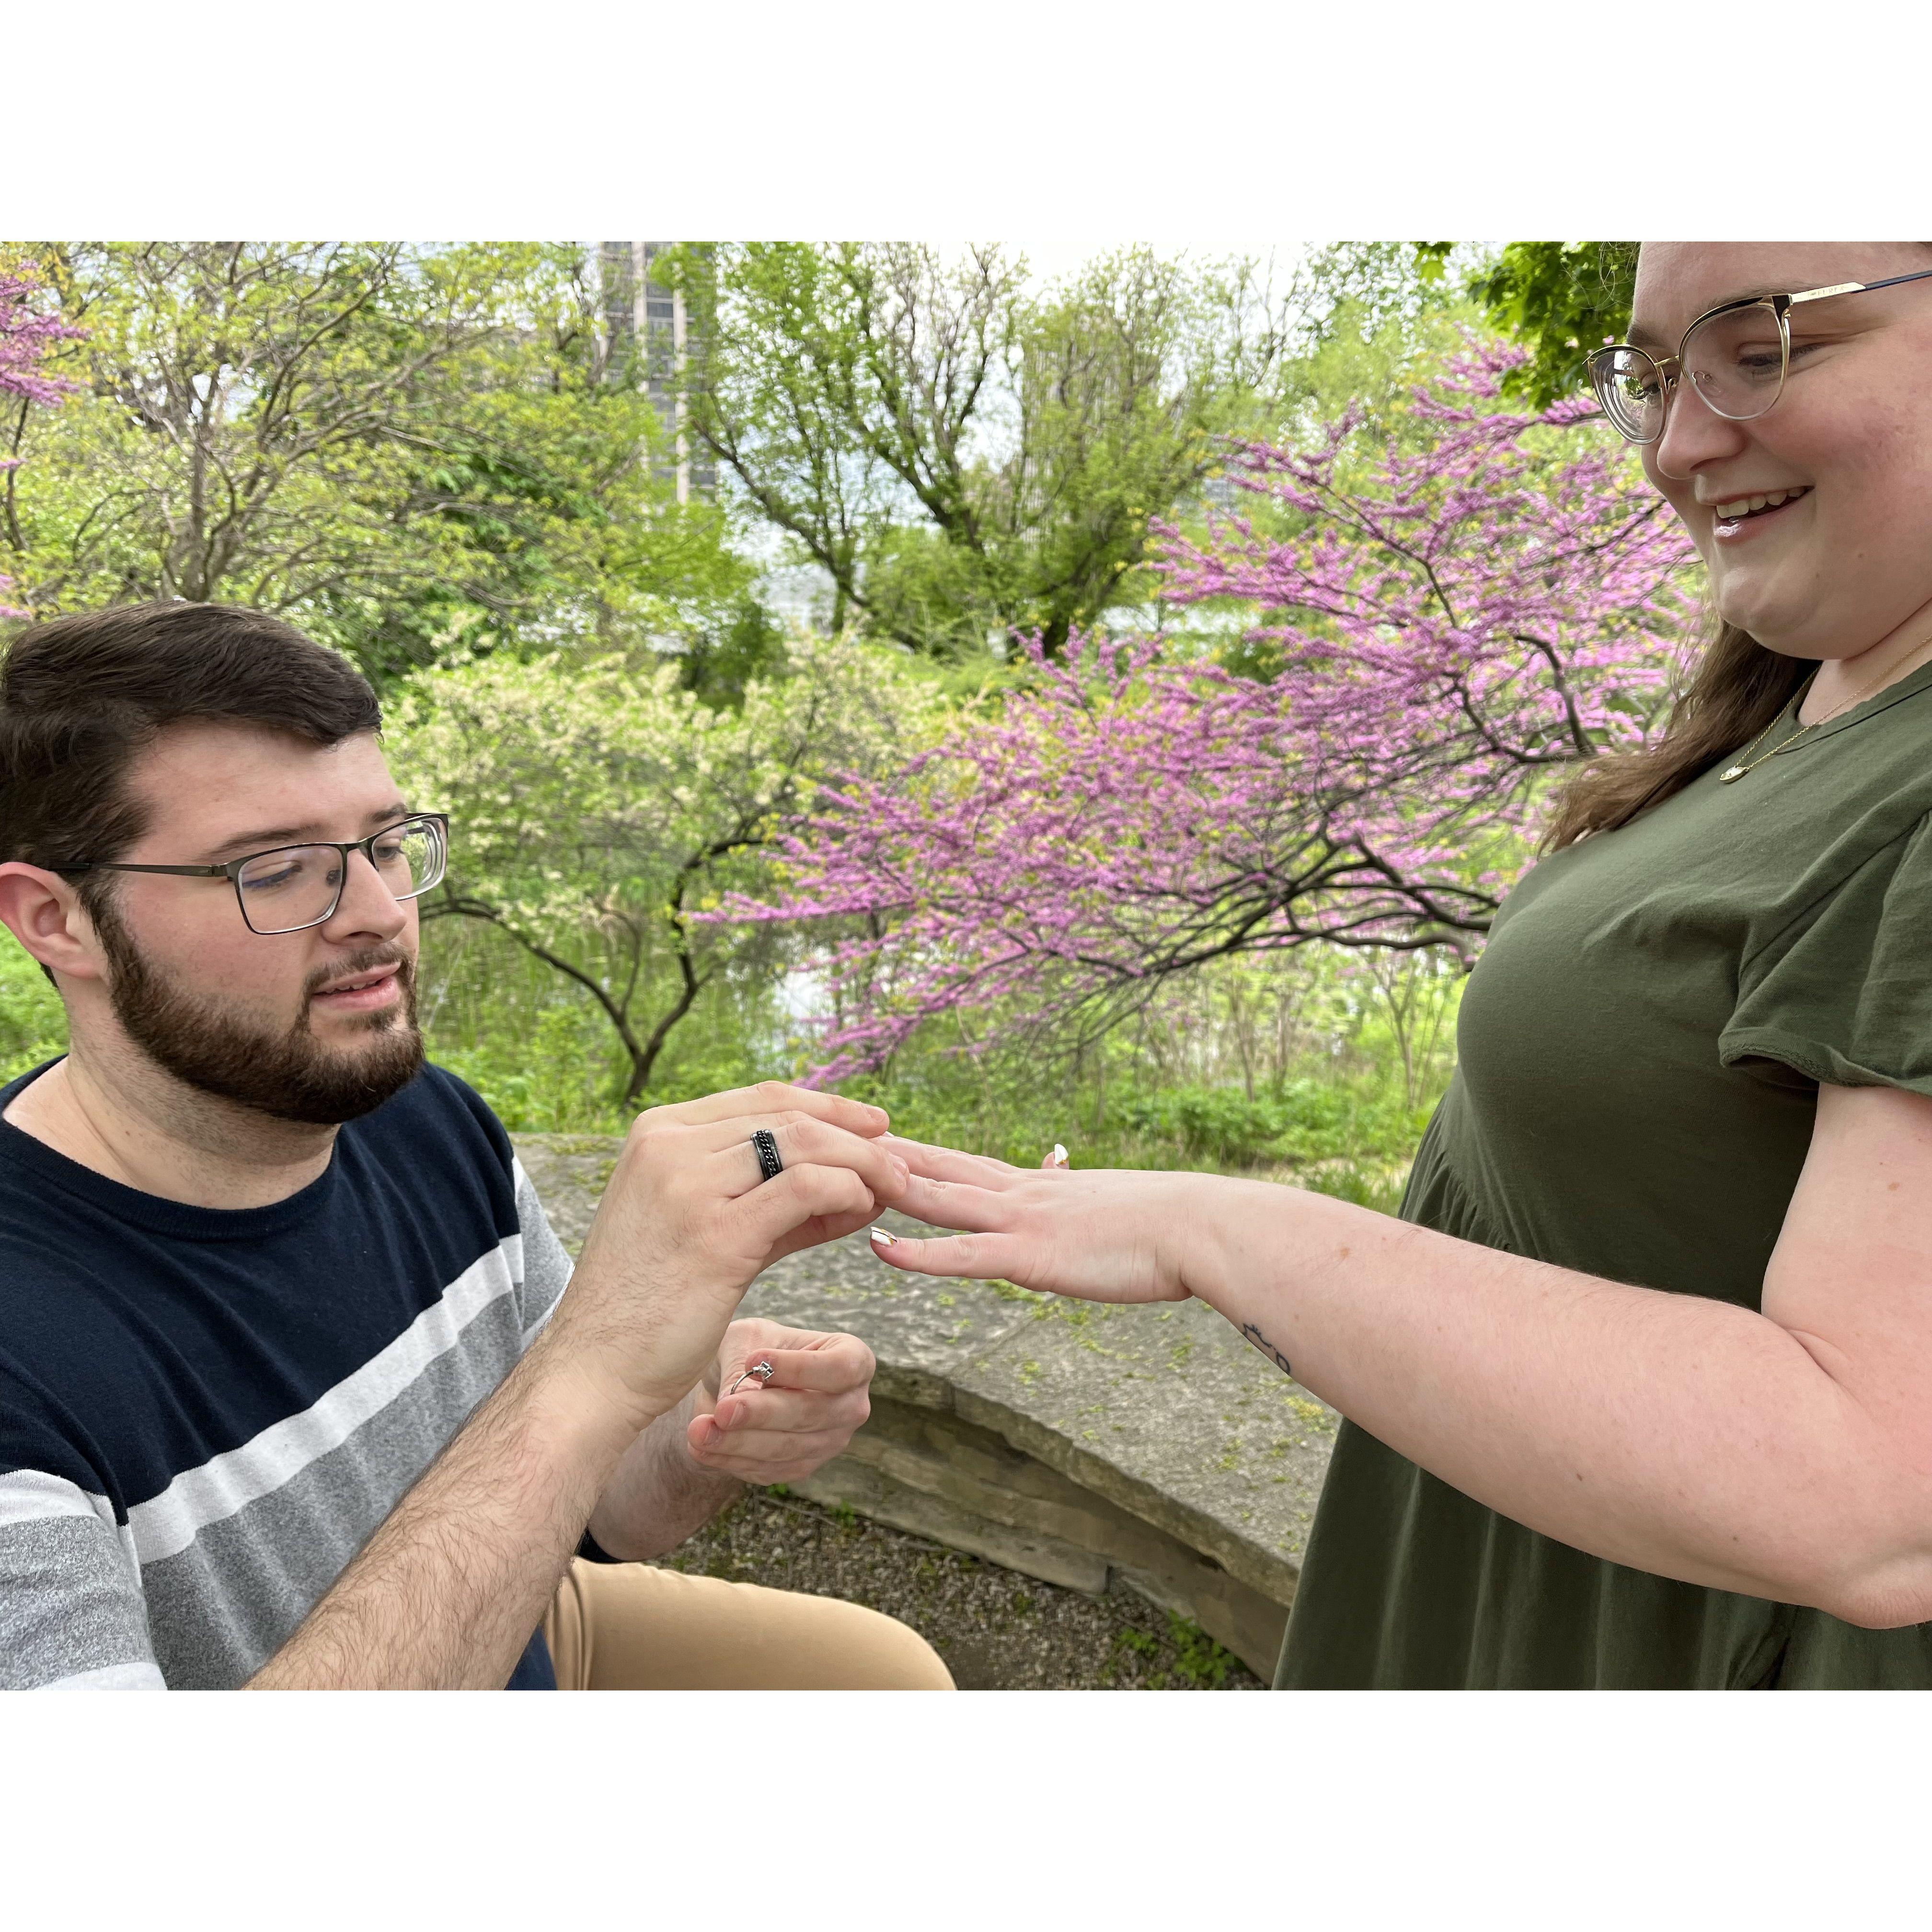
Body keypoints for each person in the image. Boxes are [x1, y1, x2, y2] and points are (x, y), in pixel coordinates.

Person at [864, 241, 1932, 1690]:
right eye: (1655, 375)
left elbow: (1872, 1496)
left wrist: (1227, 1235)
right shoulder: (1810, 693)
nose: (1678, 445)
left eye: (1762, 348)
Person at [0, 600, 951, 1691]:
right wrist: (589, 1367)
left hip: (530, 1647)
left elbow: (591, 1509)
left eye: (386, 846)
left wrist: (705, 1419)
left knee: (888, 1683)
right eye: (274, 869)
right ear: (55, 920)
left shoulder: (425, 1127)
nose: (375, 914)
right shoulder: (25, 1357)